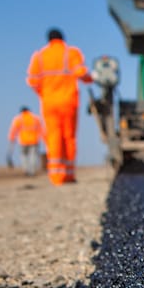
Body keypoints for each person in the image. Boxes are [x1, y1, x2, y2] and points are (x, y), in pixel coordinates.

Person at [26, 28, 92, 185]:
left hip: (49, 103)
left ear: (48, 40)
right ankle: (69, 174)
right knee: (68, 137)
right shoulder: (71, 53)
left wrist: (43, 93)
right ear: (63, 38)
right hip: (68, 102)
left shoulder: (40, 56)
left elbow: (32, 81)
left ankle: (56, 176)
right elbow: (81, 72)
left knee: (53, 137)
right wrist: (91, 78)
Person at [8, 107, 46, 176]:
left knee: (24, 156)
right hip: (34, 140)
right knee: (33, 156)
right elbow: (41, 130)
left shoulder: (19, 119)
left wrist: (12, 138)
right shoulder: (36, 118)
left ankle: (26, 170)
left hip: (23, 141)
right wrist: (45, 139)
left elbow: (13, 129)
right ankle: (32, 171)